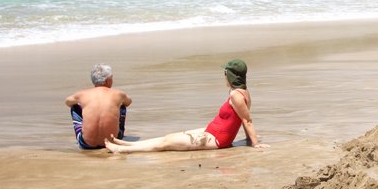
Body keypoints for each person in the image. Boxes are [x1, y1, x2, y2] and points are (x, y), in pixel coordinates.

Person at [105, 59, 265, 153]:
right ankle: (128, 143)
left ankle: (122, 149)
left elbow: (247, 120)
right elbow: (242, 118)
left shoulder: (236, 95)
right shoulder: (242, 92)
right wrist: (248, 140)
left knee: (166, 144)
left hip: (215, 139)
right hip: (211, 131)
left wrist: (255, 143)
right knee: (168, 137)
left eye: (225, 74)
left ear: (230, 76)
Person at [65, 63, 132, 150]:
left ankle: (87, 133)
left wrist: (84, 108)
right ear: (108, 80)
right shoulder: (119, 94)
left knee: (74, 106)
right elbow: (128, 102)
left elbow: (67, 102)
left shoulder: (82, 94)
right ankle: (114, 134)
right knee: (122, 106)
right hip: (112, 142)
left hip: (86, 144)